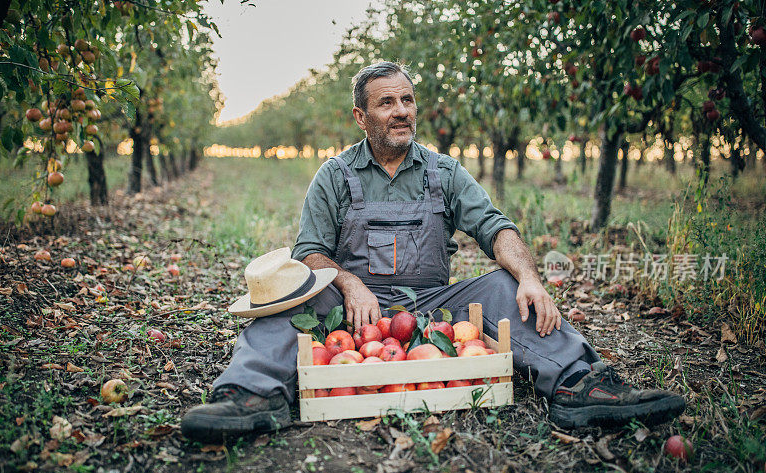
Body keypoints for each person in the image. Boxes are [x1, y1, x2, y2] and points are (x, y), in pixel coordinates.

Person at [181, 61, 685, 443]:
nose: (401, 111)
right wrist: (350, 283)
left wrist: (530, 276)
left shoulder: (444, 173)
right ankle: (250, 395)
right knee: (289, 298)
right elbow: (310, 251)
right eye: (386, 103)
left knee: (505, 287)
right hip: (353, 312)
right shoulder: (334, 176)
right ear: (361, 116)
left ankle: (581, 385)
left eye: (406, 100)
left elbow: (494, 228)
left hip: (431, 306)